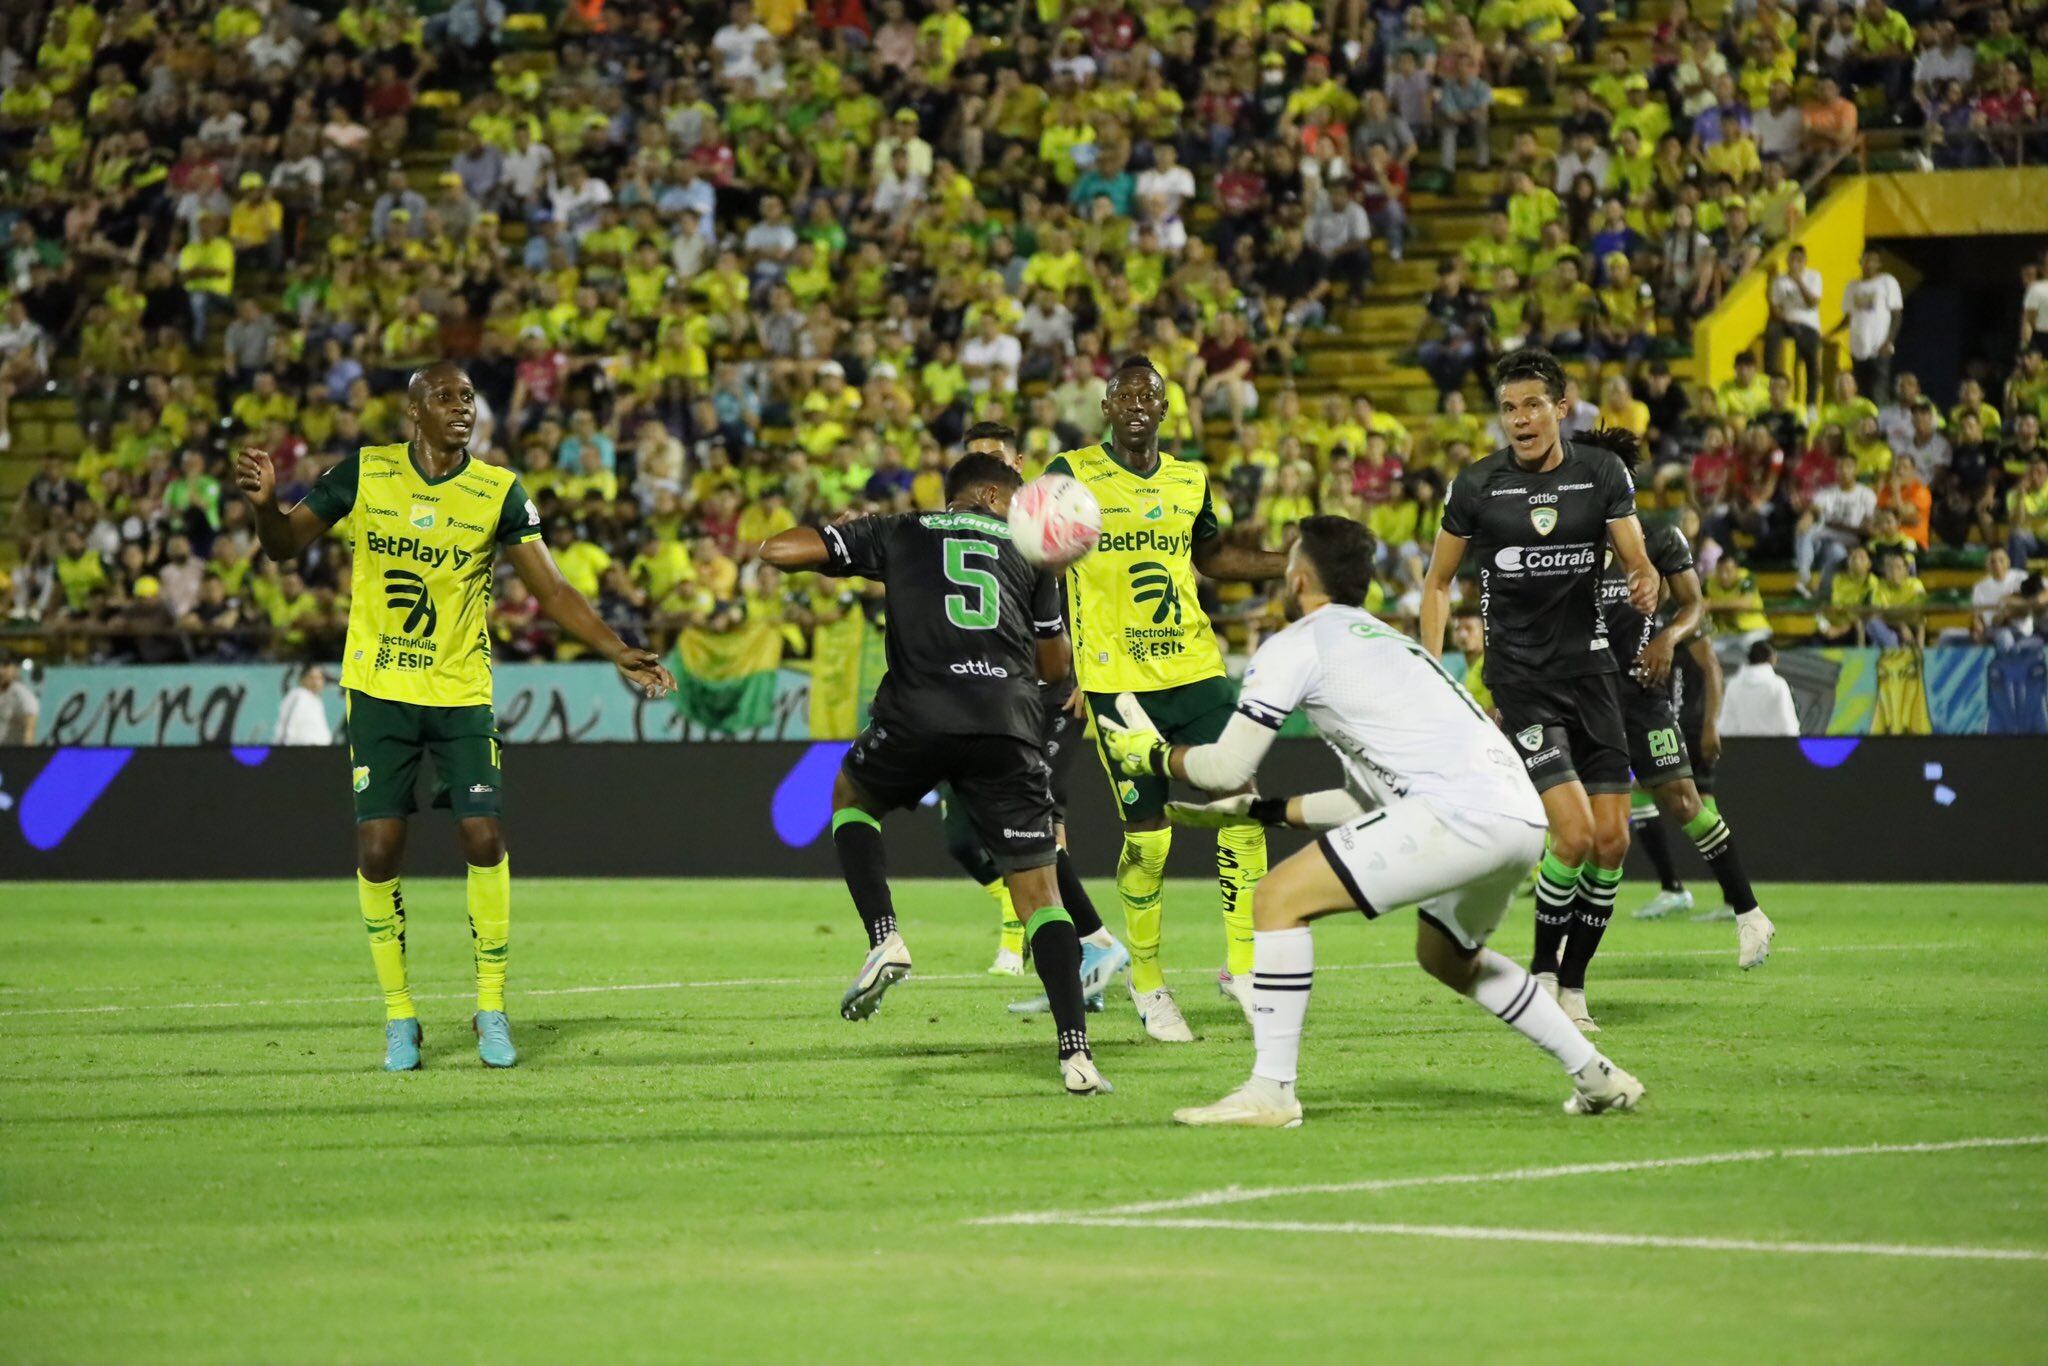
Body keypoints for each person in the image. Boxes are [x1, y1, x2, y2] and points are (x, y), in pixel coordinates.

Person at [1094, 516, 1642, 1127]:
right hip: (1517, 815)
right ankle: (1596, 1074)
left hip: (1458, 811)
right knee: (1447, 956)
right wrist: (1260, 811)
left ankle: (1271, 1090)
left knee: (1276, 900)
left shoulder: (1295, 644)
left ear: (1298, 577)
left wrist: (1149, 753)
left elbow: (1226, 763)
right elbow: (1367, 801)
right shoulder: (1388, 640)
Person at [234, 362, 675, 1073]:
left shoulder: (498, 491)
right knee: (378, 849)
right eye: (445, 397)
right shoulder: (365, 473)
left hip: (461, 690)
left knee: (483, 833)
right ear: (415, 411)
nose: (461, 408)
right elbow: (285, 542)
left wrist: (616, 649)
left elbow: (553, 589)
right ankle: (399, 1017)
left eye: (469, 397)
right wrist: (264, 507)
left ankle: (491, 1007)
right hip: (378, 689)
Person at [753, 454, 1111, 1097]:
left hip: (917, 714)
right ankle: (1076, 1054)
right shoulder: (1032, 549)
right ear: (995, 495)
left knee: (849, 796)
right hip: (1005, 725)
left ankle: (885, 938)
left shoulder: (903, 527)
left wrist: (845, 534)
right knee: (1040, 896)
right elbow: (1057, 671)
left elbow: (779, 551)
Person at [1044, 356, 1289, 1041]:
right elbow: (1038, 552)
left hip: (1195, 665)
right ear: (1104, 406)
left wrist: (1285, 560)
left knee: (1242, 807)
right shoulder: (1071, 472)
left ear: (1164, 406)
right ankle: (1148, 983)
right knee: (1149, 840)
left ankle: (1243, 968)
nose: (1134, 403)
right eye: (1122, 394)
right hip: (1115, 680)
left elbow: (1211, 558)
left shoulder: (1190, 479)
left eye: (1147, 393)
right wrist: (1052, 650)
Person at [1420, 347, 1660, 1034]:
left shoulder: (1602, 474)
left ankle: (1573, 987)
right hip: (1521, 681)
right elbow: (1437, 584)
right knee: (1575, 833)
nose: (1520, 420)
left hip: (1593, 674)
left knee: (1612, 842)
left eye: (1532, 405)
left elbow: (1635, 555)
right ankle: (1544, 972)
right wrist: (1434, 670)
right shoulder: (1476, 486)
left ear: (1561, 406)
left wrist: (1642, 575)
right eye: (1508, 409)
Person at [941, 420, 1129, 1001]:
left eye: (995, 459)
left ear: (1017, 461)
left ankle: (1086, 951)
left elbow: (1105, 590)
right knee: (975, 832)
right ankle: (1083, 957)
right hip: (998, 694)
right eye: (976, 462)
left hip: (1056, 688)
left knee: (1035, 819)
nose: (988, 474)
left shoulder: (1057, 513)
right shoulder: (974, 528)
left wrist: (1089, 672)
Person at [1582, 441, 1774, 967]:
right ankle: (1561, 953)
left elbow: (1695, 607)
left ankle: (1749, 914)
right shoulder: (1568, 544)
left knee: (1686, 804)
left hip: (1644, 698)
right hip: (1586, 698)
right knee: (1581, 826)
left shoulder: (1658, 540)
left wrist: (1667, 639)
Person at [1842, 250, 1904, 403]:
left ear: (1879, 264)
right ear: (1860, 262)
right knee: (1861, 393)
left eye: (1873, 260)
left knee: (1878, 390)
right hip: (1857, 349)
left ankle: (1880, 426)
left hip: (1879, 347)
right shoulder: (1852, 286)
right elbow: (1848, 316)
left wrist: (1889, 341)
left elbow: (1897, 314)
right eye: (1866, 260)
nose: (1869, 264)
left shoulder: (1887, 281)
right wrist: (1829, 332)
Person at [1765, 245, 1824, 405]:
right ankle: (1769, 378)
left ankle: (1811, 402)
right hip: (1785, 321)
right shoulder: (1779, 281)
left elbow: (1813, 303)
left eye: (1798, 260)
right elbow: (1775, 307)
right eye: (1791, 260)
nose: (1794, 264)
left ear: (1804, 261)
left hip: (1807, 324)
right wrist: (1783, 317)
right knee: (1771, 330)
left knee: (1811, 356)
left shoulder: (1814, 277)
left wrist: (1799, 282)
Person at [1719, 640, 1800, 735]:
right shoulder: (1778, 685)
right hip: (1772, 747)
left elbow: (1726, 727)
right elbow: (1788, 727)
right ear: (1772, 657)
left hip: (1741, 747)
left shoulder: (1733, 685)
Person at [273, 664, 335, 746]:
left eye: (319, 678)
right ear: (302, 679)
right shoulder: (298, 695)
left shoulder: (316, 701)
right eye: (311, 678)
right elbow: (286, 726)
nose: (315, 682)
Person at [0, 652, 37, 744]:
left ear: (16, 669)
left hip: (12, 754)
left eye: (6, 666)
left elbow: (30, 728)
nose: (1, 671)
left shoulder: (21, 694)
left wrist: (25, 755)